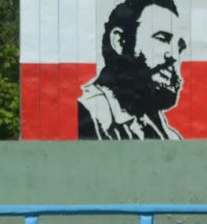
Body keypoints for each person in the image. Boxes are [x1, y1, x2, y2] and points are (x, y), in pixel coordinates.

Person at [78, 0, 187, 140]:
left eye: (179, 47)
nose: (174, 56)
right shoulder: (87, 116)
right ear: (120, 42)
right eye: (162, 39)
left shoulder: (164, 132)